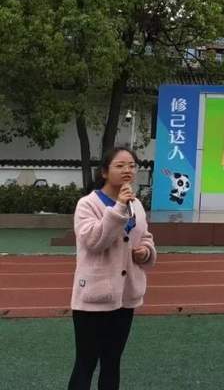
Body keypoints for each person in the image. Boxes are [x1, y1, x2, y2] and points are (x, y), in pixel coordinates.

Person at [68, 146, 156, 390]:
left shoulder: (136, 205)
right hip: (94, 297)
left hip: (125, 298)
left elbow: (145, 236)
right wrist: (118, 207)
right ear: (105, 172)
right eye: (120, 165)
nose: (128, 170)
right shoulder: (87, 204)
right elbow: (94, 241)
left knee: (112, 362)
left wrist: (146, 251)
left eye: (132, 166)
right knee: (85, 363)